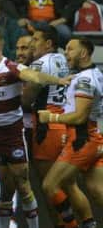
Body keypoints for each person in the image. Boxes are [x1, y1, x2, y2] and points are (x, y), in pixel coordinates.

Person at [0, 29, 71, 228]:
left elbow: (35, 76)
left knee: (22, 185)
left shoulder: (11, 68)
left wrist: (59, 81)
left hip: (12, 134)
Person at [23, 25, 95, 228]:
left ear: (48, 43)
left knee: (50, 186)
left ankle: (68, 226)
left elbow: (27, 99)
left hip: (47, 128)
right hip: (65, 124)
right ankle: (89, 223)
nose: (32, 43)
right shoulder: (65, 60)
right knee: (70, 184)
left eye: (36, 39)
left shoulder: (39, 64)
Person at [38, 37, 103, 227]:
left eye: (70, 49)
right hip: (94, 137)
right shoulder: (94, 74)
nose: (65, 53)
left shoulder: (85, 79)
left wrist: (51, 117)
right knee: (97, 191)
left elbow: (80, 117)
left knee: (49, 185)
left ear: (83, 53)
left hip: (82, 139)